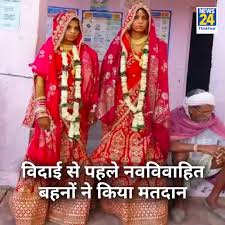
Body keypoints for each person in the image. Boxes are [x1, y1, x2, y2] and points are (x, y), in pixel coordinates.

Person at [10, 11, 100, 225]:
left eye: (76, 28)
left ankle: (67, 212)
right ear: (59, 27)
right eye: (68, 27)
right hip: (51, 112)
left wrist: (94, 109)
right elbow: (39, 80)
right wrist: (41, 110)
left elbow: (94, 84)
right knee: (43, 158)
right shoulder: (49, 48)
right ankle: (32, 211)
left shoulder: (88, 54)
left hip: (78, 116)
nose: (72, 32)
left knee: (72, 159)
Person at [91, 3, 170, 225]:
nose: (141, 21)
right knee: (116, 152)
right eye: (136, 17)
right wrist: (107, 104)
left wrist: (153, 108)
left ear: (150, 21)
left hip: (145, 108)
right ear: (129, 20)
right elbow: (107, 74)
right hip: (120, 106)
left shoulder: (158, 47)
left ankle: (143, 205)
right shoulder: (118, 45)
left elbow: (160, 80)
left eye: (145, 17)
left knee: (143, 153)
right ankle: (113, 201)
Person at [170, 89, 225, 222]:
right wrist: (201, 148)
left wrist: (221, 152)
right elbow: (168, 145)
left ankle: (212, 199)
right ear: (191, 109)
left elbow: (222, 139)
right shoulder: (175, 118)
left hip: (204, 163)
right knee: (180, 155)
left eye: (211, 110)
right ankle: (179, 203)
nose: (209, 115)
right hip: (178, 164)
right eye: (205, 112)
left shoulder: (213, 120)